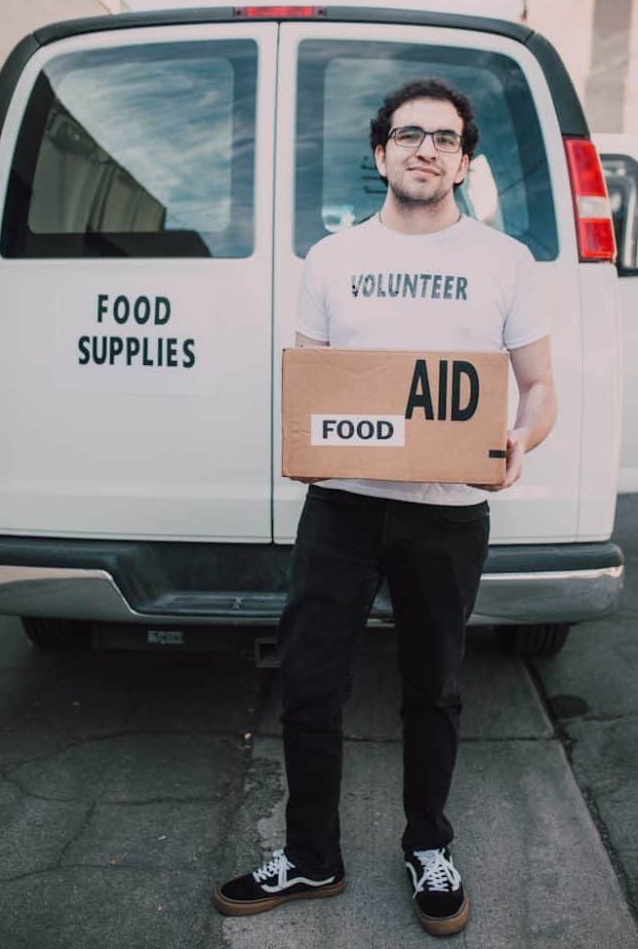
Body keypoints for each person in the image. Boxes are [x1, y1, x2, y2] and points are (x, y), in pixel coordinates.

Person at [213, 78, 557, 936]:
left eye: (444, 138)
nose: (425, 149)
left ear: (464, 160)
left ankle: (427, 845)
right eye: (409, 134)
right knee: (309, 681)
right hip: (341, 510)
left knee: (432, 686)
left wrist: (520, 440)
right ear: (380, 154)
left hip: (446, 510)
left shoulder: (503, 261)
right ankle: (310, 855)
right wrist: (308, 443)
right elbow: (312, 385)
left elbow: (539, 385)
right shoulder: (332, 260)